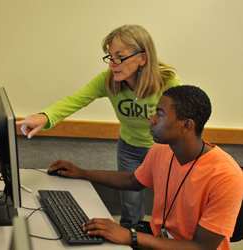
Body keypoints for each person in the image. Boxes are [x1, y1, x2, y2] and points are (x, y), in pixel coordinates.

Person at [17, 24, 180, 227]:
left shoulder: (167, 81)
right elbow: (75, 100)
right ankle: (129, 237)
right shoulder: (109, 81)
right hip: (129, 148)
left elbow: (183, 120)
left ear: (143, 58)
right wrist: (44, 117)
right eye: (110, 57)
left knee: (168, 203)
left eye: (119, 57)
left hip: (163, 151)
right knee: (130, 204)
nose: (113, 64)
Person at [47, 85, 243, 250]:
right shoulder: (161, 150)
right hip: (158, 242)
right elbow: (133, 180)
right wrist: (82, 173)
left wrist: (131, 237)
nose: (152, 120)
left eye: (160, 113)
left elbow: (202, 247)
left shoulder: (226, 175)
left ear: (187, 125)